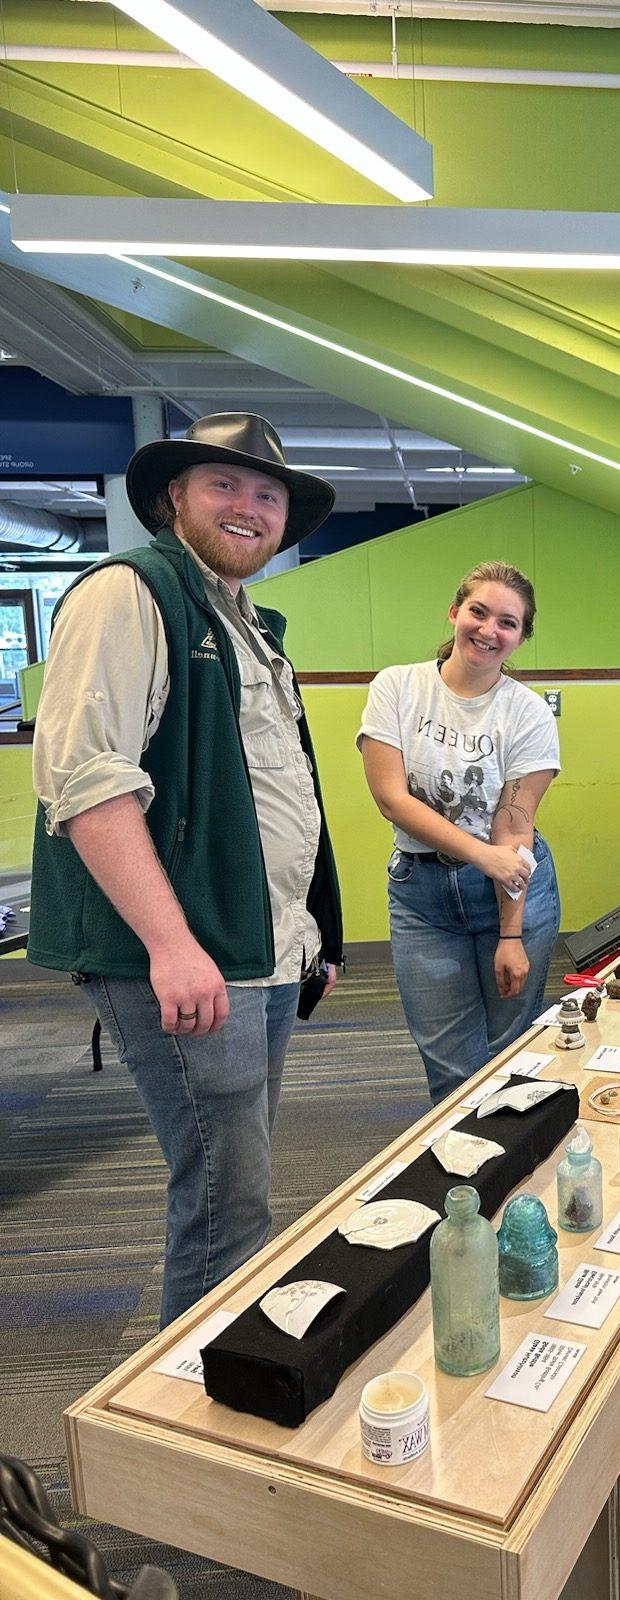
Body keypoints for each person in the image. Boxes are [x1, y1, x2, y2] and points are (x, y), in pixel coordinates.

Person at [29, 413, 344, 1328]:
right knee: (223, 1203)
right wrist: (171, 944)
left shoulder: (246, 624)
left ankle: (219, 1381)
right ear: (175, 497)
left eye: (267, 495)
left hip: (261, 949)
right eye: (225, 486)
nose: (249, 508)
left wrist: (310, 930)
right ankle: (198, 1423)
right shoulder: (129, 593)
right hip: (191, 956)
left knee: (236, 1179)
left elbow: (274, 790)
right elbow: (86, 783)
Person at [358, 561, 560, 1104]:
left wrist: (511, 934)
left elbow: (514, 826)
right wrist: (482, 855)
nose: (488, 630)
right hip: (422, 896)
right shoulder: (398, 687)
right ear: (455, 612)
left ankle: (514, 1163)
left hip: (510, 893)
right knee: (450, 1065)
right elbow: (391, 799)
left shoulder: (528, 714)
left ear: (521, 637)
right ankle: (467, 1174)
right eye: (478, 612)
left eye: (508, 623)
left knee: (508, 1050)